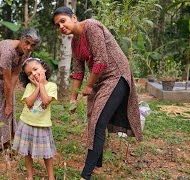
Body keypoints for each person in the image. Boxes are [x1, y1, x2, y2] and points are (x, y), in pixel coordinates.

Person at [52, 6, 143, 180]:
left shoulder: (91, 27)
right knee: (92, 116)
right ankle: (97, 163)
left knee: (98, 121)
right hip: (100, 79)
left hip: (116, 75)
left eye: (63, 21)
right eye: (57, 25)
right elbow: (78, 71)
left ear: (74, 17)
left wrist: (88, 87)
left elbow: (101, 61)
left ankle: (86, 175)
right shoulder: (74, 42)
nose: (61, 27)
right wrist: (73, 98)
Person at [0, 28, 40, 153]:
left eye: (32, 45)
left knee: (10, 103)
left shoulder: (26, 52)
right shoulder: (8, 51)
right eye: (27, 43)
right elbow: (7, 79)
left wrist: (9, 97)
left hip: (6, 73)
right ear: (21, 39)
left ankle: (6, 138)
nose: (29, 47)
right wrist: (7, 103)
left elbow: (15, 74)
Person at [12, 58, 57, 180]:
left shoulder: (52, 86)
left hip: (42, 125)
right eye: (29, 73)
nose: (34, 74)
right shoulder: (29, 87)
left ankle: (51, 177)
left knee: (47, 154)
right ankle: (30, 176)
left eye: (35, 69)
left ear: (44, 68)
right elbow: (29, 103)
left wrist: (41, 84)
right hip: (26, 124)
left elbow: (46, 101)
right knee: (27, 152)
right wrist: (37, 86)